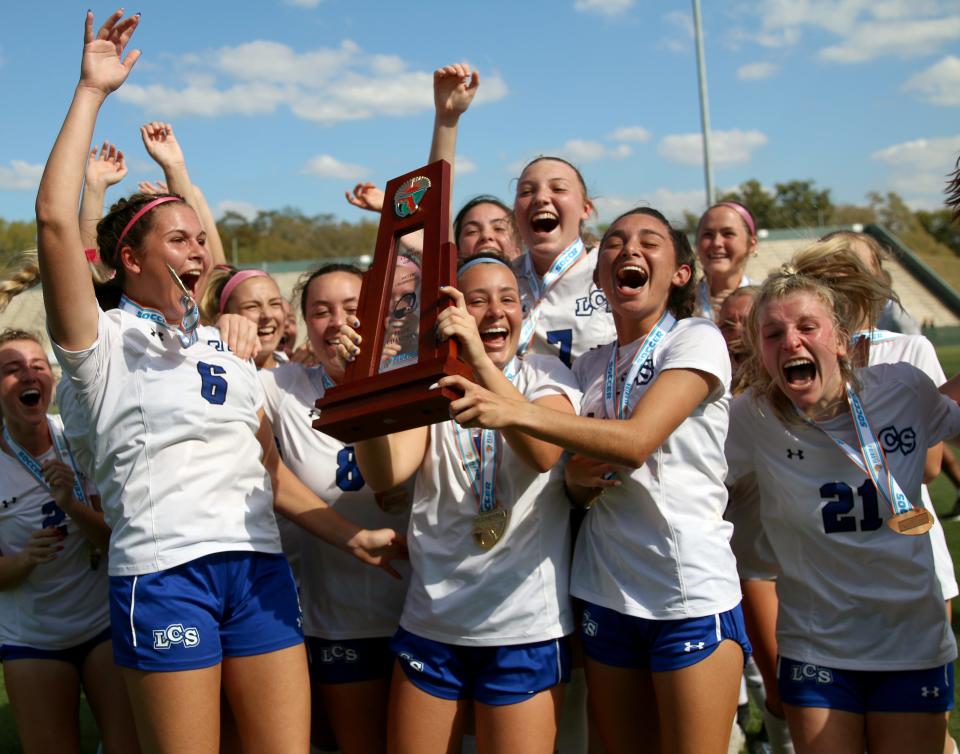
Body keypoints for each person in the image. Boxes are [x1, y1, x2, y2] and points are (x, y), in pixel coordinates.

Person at [34, 12, 401, 752]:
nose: (198, 250)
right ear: (130, 259)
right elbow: (51, 221)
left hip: (260, 572)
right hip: (165, 574)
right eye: (179, 239)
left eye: (202, 239)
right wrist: (89, 92)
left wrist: (349, 535)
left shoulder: (226, 348)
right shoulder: (102, 343)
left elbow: (266, 472)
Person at [439, 208, 750, 754]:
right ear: (600, 278)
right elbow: (575, 483)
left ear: (680, 273)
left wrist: (508, 411)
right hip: (605, 590)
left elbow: (635, 441)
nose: (628, 250)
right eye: (613, 244)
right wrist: (579, 480)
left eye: (649, 242)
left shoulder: (695, 338)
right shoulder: (588, 367)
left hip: (686, 590)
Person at [342, 253, 579, 754]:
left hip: (523, 626)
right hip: (433, 621)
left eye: (508, 298)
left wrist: (476, 360)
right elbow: (385, 473)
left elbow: (541, 454)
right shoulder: (432, 385)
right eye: (477, 300)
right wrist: (357, 385)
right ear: (452, 311)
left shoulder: (546, 375)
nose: (495, 311)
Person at [726, 253, 960, 754]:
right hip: (818, 647)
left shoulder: (902, 387)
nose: (791, 342)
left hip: (912, 642)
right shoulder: (749, 419)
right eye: (772, 335)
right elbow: (688, 471)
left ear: (841, 339)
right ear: (760, 354)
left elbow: (952, 416)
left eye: (807, 327)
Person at [260, 263, 411, 754]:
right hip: (338, 619)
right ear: (302, 323)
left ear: (377, 317)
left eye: (351, 308)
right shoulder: (283, 386)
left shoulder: (412, 379)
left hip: (425, 613)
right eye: (320, 311)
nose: (336, 321)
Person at [0, 329, 140, 754]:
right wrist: (25, 559)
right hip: (33, 638)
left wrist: (73, 507)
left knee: (131, 746)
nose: (29, 374)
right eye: (12, 369)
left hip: (102, 624)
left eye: (38, 366)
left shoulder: (76, 439)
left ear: (52, 380)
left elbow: (115, 542)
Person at [199, 267, 287, 370]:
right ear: (222, 317)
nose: (267, 315)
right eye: (252, 306)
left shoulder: (301, 372)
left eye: (275, 304)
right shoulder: (213, 374)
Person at [695, 201, 759, 321]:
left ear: (752, 243)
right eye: (708, 234)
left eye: (728, 233)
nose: (716, 243)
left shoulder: (767, 300)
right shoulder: (678, 303)